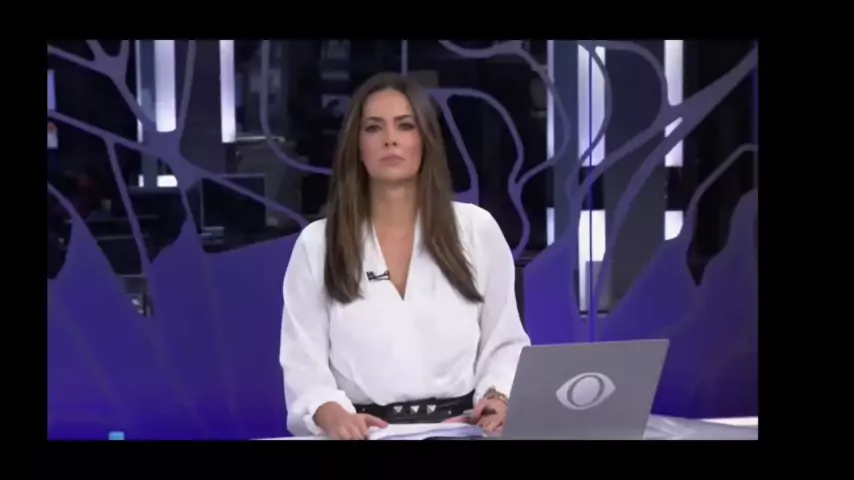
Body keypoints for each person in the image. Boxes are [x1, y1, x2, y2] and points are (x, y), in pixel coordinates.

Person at [279, 72, 530, 440]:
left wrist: (498, 397)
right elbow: (303, 362)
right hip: (362, 435)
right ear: (357, 145)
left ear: (425, 140)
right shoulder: (318, 243)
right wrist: (330, 413)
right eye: (374, 128)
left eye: (405, 125)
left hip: (462, 432)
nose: (390, 139)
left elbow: (505, 343)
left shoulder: (477, 230)